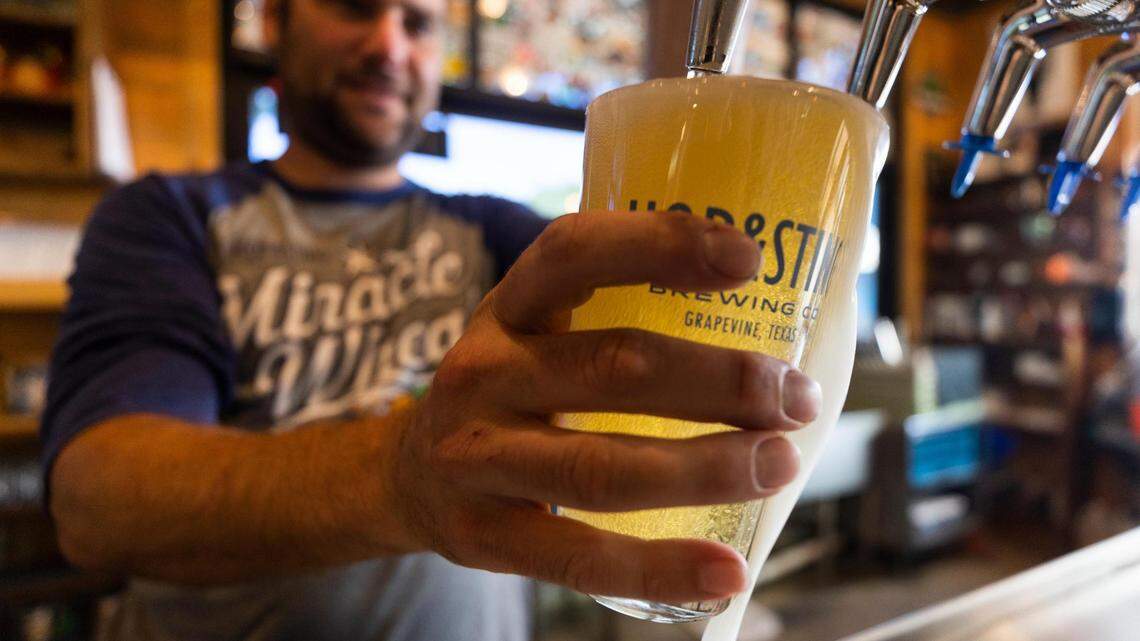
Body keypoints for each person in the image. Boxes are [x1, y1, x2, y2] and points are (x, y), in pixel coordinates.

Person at [41, 0, 821, 639]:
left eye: (416, 23)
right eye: (355, 8)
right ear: (274, 21)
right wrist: (396, 477)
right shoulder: (170, 217)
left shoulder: (498, 234)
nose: (389, 45)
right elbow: (99, 499)